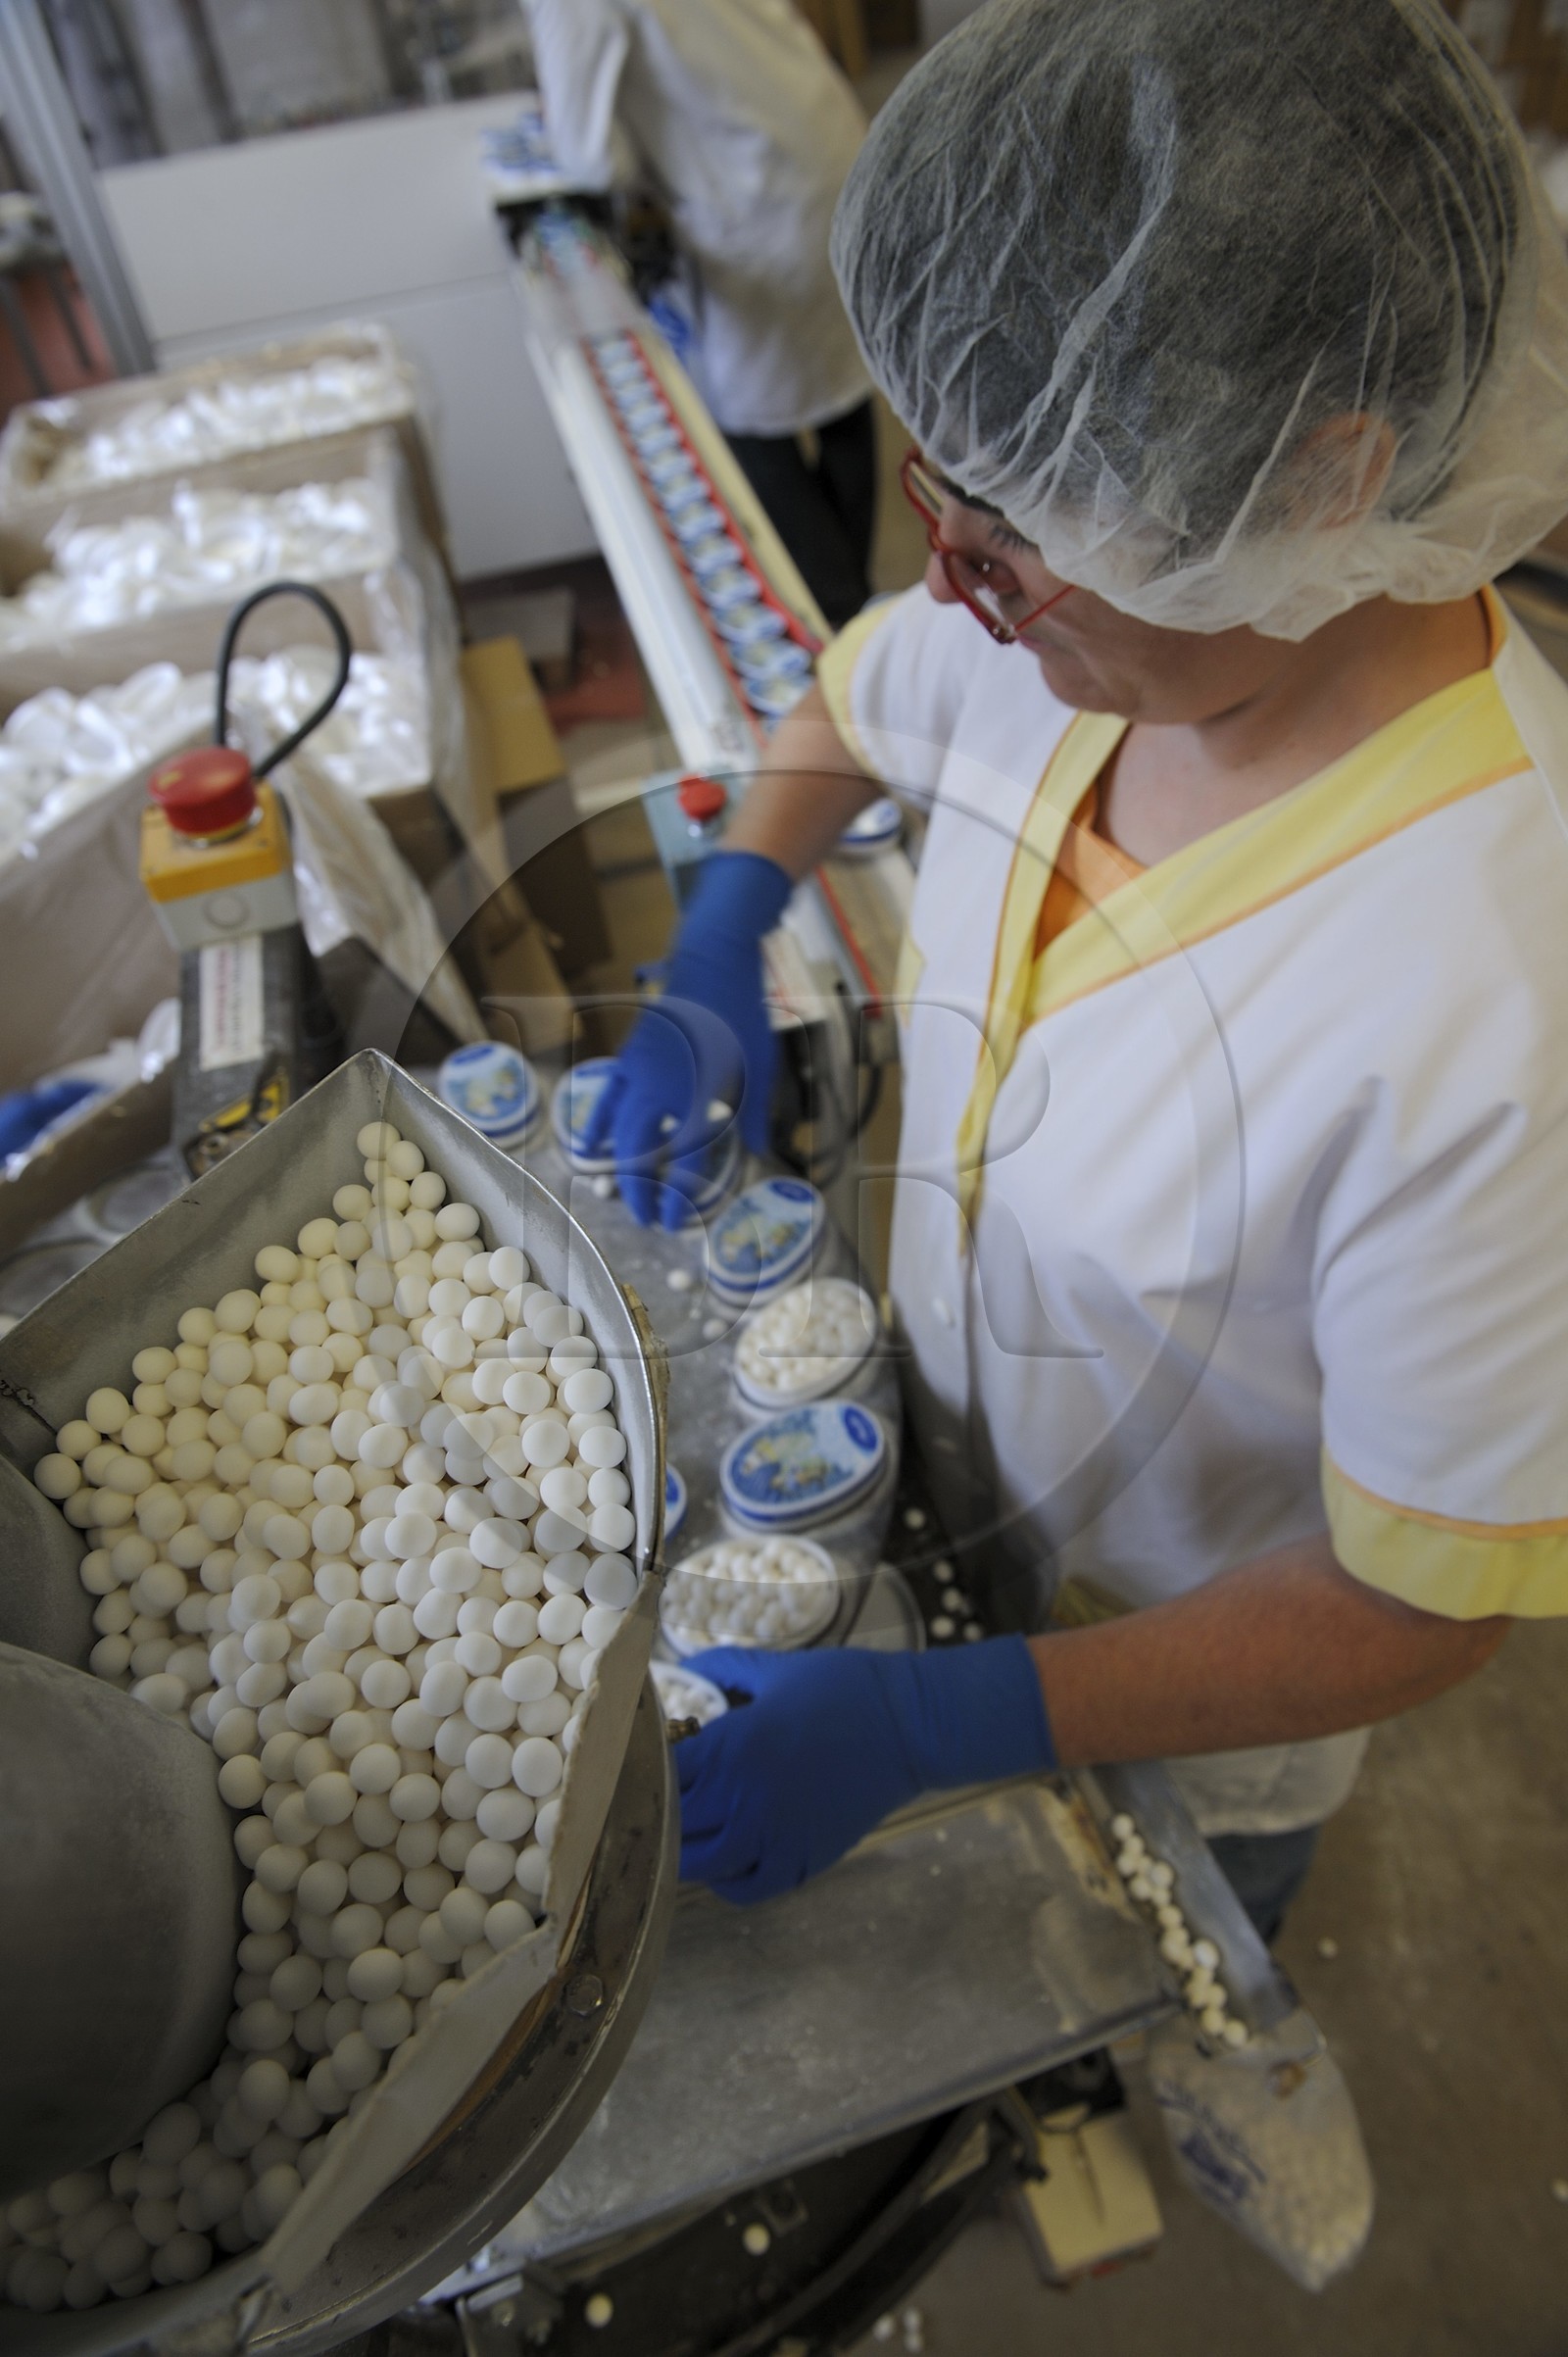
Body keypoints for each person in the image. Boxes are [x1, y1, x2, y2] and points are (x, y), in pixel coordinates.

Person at [587, 0, 1568, 1935]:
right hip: (958, 1480)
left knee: (1129, 1957)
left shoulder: (1493, 997)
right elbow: (859, 695)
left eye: (1003, 540)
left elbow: (1414, 1595)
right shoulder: (1098, 629)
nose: (950, 578)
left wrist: (953, 1713)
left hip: (1180, 1677)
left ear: (1312, 483)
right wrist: (721, 926)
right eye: (929, 499)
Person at [521, 0, 877, 628]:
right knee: (843, 382)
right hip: (828, 144)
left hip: (751, 199)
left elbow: (592, 158)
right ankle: (859, 608)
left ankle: (836, 619)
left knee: (748, 417)